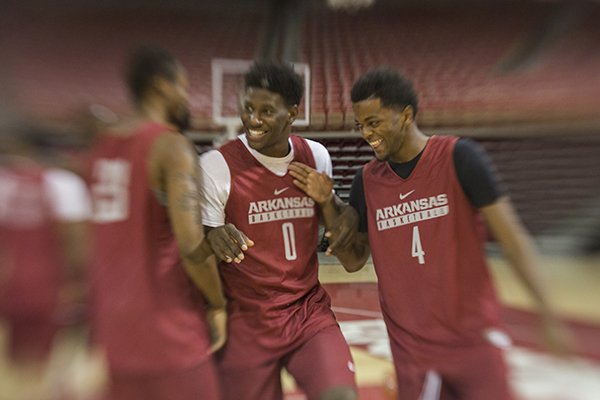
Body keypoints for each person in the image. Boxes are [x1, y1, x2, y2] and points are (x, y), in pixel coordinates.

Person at [289, 68, 570, 400]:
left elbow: (512, 239)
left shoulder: (460, 158)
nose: (367, 133)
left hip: (474, 340)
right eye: (361, 125)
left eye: (374, 122)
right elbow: (353, 261)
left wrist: (546, 311)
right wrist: (327, 202)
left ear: (406, 115)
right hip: (414, 353)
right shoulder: (366, 181)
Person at [85, 46, 250, 400]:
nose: (185, 96)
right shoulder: (170, 147)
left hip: (115, 336)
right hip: (168, 333)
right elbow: (192, 247)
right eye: (182, 85)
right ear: (161, 85)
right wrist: (217, 304)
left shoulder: (101, 147)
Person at [199, 61, 357, 400]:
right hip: (246, 320)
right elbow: (198, 248)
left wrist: (327, 198)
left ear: (293, 112)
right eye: (249, 108)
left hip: (307, 312)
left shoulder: (316, 156)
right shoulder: (216, 166)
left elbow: (342, 229)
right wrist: (210, 237)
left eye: (267, 111)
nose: (253, 119)